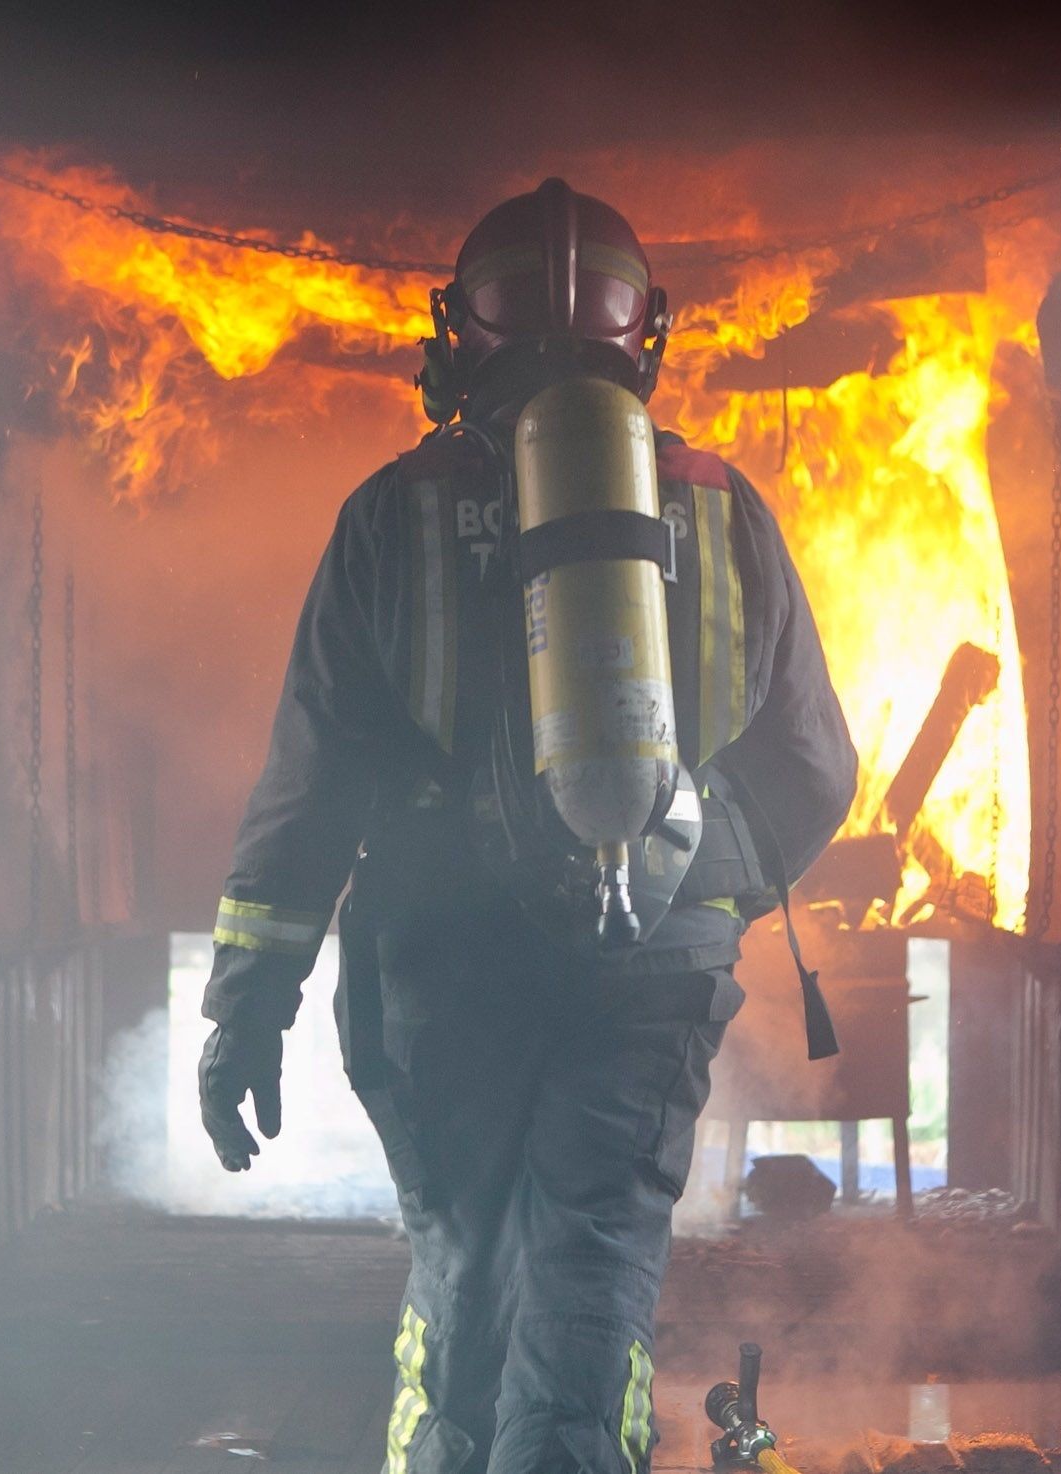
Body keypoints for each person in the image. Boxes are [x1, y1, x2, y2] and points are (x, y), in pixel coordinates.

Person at [197, 179, 857, 1474]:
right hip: (647, 987)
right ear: (643, 338)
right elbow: (816, 771)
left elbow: (309, 791)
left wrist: (248, 1007)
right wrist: (684, 866)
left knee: (467, 1290)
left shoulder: (393, 516)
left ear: (459, 339)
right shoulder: (725, 513)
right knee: (589, 1287)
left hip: (439, 978)